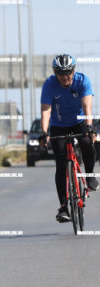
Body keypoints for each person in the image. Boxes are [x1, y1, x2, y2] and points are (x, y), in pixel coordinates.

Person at [39, 54, 99, 223]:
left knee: (87, 143)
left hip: (79, 122)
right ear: (55, 72)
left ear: (74, 70)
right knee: (61, 164)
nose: (65, 77)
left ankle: (89, 177)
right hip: (58, 124)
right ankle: (64, 206)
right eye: (60, 73)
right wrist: (44, 132)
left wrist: (89, 127)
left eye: (68, 73)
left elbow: (87, 107)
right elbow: (46, 111)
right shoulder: (49, 85)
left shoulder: (82, 81)